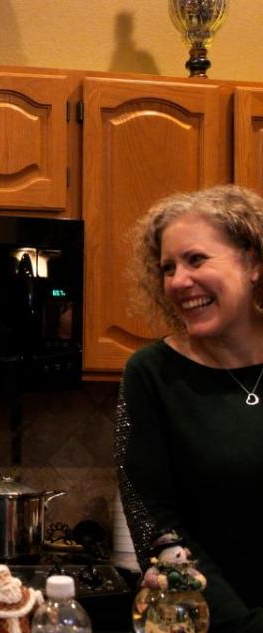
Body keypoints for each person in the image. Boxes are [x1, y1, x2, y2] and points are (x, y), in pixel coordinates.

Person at [117, 184, 263, 633]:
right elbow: (154, 522)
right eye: (167, 268)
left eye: (196, 259)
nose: (178, 281)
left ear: (254, 262)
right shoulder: (151, 374)